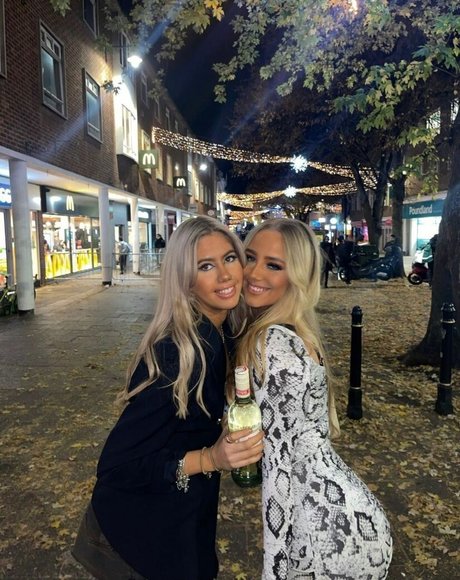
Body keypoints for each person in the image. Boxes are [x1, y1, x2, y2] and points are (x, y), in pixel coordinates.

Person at [72, 216, 264, 580]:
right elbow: (116, 467)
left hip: (183, 522)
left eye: (229, 258)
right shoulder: (177, 353)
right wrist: (210, 458)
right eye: (205, 266)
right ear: (185, 280)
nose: (225, 275)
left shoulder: (224, 331)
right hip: (137, 540)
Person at [236, 218, 393, 579]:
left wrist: (273, 571)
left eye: (274, 265)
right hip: (349, 516)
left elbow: (277, 469)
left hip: (326, 535)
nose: (254, 273)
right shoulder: (297, 332)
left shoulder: (274, 345)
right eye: (250, 257)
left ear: (298, 277)